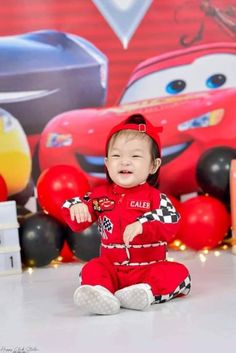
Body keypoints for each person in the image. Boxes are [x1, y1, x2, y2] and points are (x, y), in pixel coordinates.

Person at [61, 114, 191, 315]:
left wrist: (143, 224)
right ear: (106, 163)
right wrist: (77, 208)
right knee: (93, 268)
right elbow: (77, 205)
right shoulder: (100, 195)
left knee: (177, 272)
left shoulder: (155, 198)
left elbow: (171, 218)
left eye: (135, 156)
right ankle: (101, 293)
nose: (125, 162)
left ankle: (143, 293)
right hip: (113, 268)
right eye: (116, 156)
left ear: (153, 166)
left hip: (149, 268)